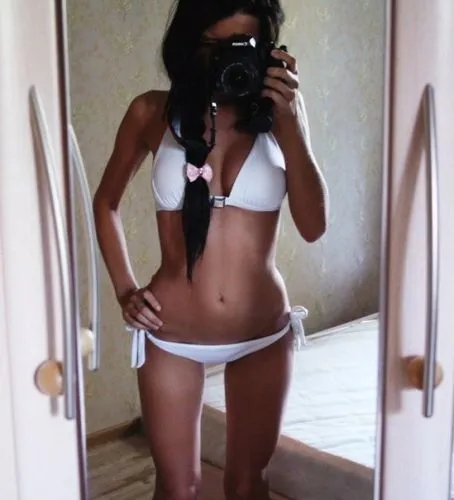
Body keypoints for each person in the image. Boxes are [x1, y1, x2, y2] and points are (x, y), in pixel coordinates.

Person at [93, 0, 328, 498]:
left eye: (242, 46)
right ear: (188, 43)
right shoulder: (150, 111)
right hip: (170, 337)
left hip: (263, 334)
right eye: (213, 46)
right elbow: (106, 203)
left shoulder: (281, 116)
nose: (226, 59)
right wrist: (125, 290)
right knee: (178, 488)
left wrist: (291, 124)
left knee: (248, 484)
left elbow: (313, 227)